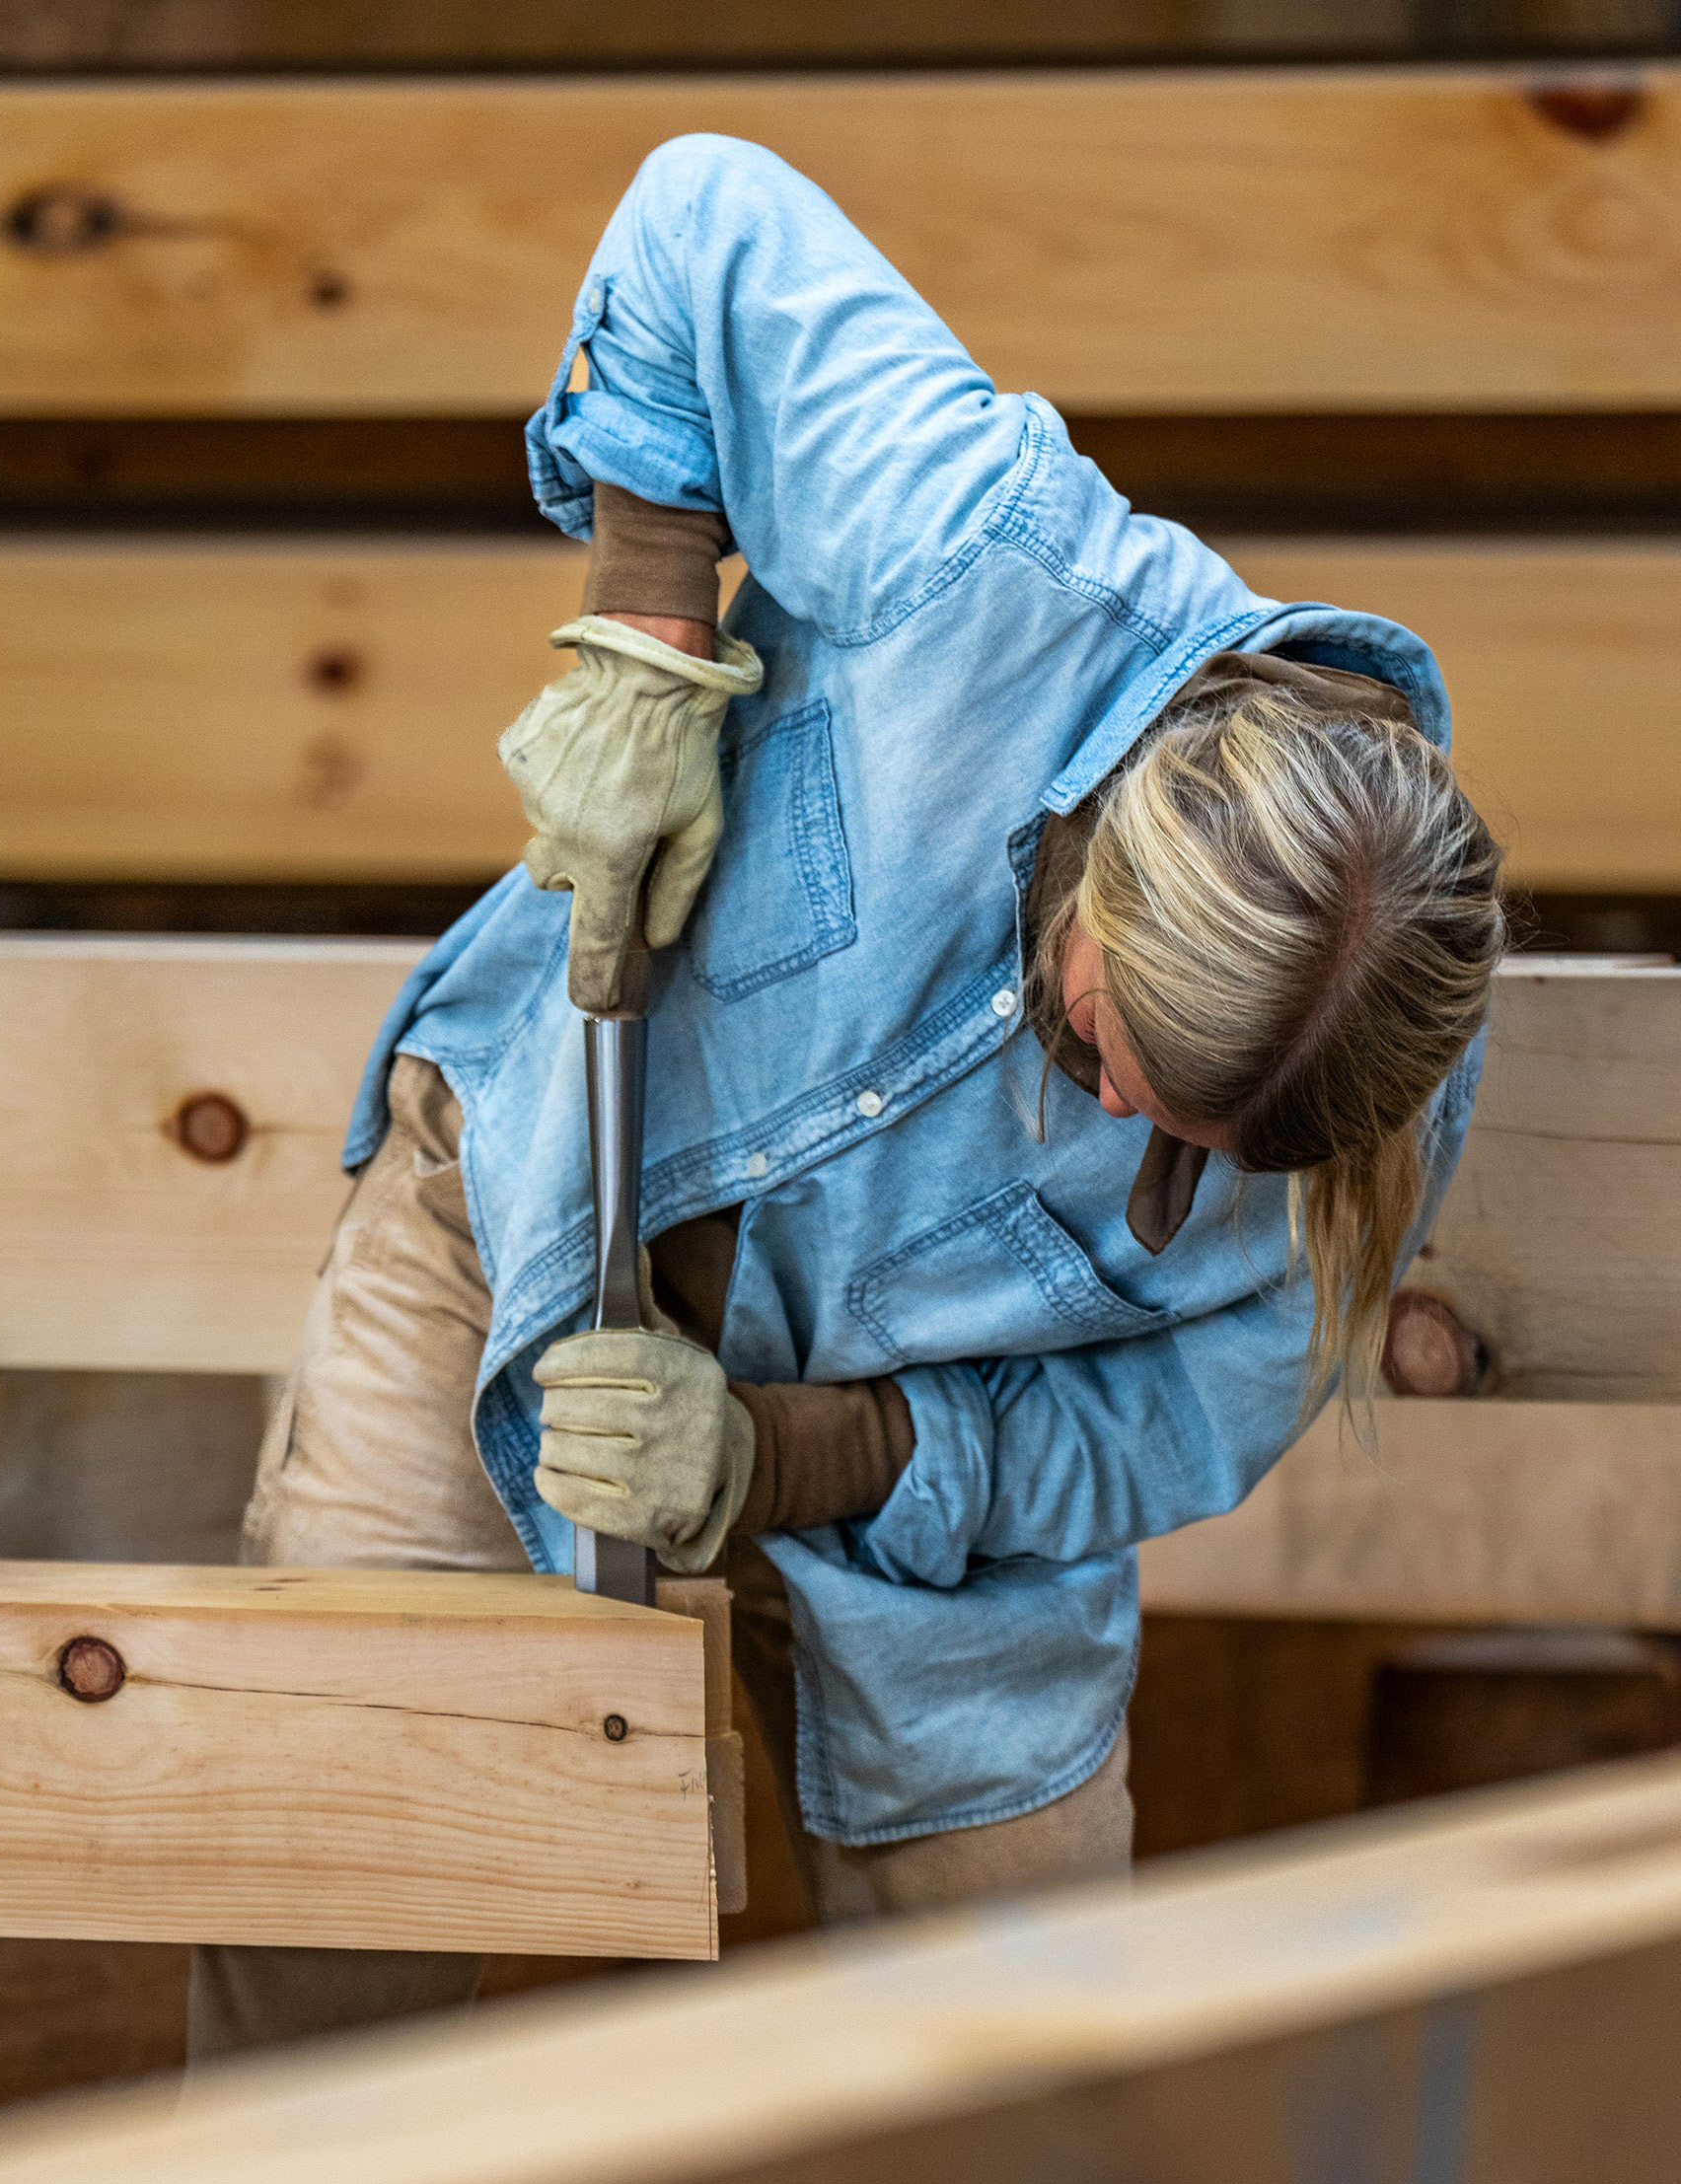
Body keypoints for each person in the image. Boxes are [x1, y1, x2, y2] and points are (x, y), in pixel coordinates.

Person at [188, 135, 1504, 2058]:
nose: (1140, 1145)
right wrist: (645, 623)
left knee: (1020, 2050)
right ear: (1104, 861)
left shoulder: (1370, 1105)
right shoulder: (981, 563)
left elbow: (1150, 1431)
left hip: (919, 1512)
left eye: (1200, 1151)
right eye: (1113, 1051)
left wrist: (789, 1458)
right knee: (338, 1844)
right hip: (521, 1235)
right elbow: (702, 217)